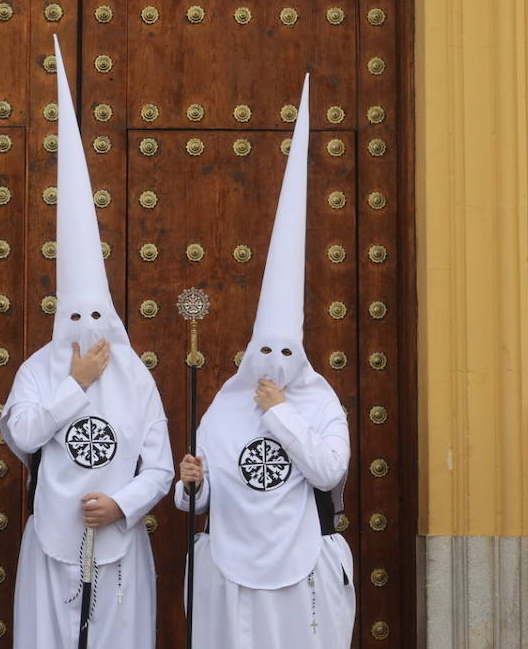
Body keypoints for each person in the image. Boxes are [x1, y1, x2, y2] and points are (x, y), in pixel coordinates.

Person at [1, 36, 174, 648]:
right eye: (75, 313)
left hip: (120, 544)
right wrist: (75, 387)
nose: (87, 325)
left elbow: (159, 465)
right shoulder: (36, 371)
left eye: (96, 313)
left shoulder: (137, 378)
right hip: (51, 540)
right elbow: (21, 436)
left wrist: (122, 505)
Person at [175, 74, 356, 648]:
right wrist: (191, 484)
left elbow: (328, 471)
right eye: (264, 352)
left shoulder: (317, 402)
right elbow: (199, 499)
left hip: (301, 569)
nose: (273, 363)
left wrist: (280, 413)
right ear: (248, 354)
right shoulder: (223, 410)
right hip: (231, 572)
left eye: (285, 352)